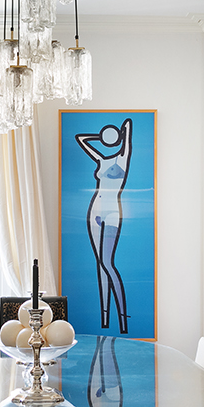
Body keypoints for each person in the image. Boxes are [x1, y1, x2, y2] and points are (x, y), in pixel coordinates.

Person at [75, 118, 132, 333]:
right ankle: (105, 319)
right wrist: (100, 137)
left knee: (108, 263)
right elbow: (81, 139)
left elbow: (128, 129)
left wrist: (120, 134)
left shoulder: (122, 159)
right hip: (95, 211)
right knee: (100, 264)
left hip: (112, 213)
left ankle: (123, 319)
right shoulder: (102, 160)